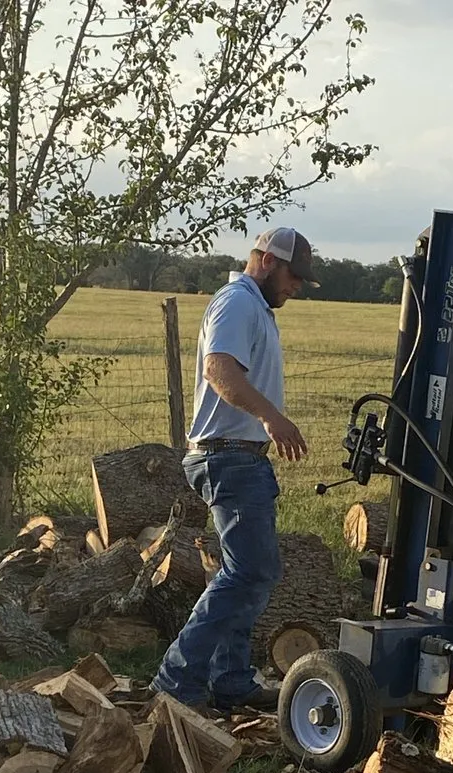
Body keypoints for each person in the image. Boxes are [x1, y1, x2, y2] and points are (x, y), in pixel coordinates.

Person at [149, 227, 318, 712]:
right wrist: (271, 417)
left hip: (237, 456)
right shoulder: (238, 302)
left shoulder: (254, 306)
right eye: (293, 275)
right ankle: (176, 680)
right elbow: (219, 369)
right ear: (266, 260)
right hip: (229, 455)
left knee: (247, 572)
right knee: (250, 571)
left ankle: (230, 682)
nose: (297, 286)